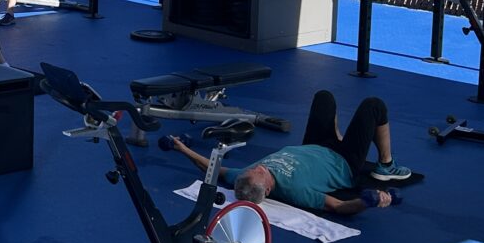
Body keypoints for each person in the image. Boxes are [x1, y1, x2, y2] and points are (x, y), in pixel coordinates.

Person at [169, 90, 411, 215]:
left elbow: (214, 170)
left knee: (323, 97)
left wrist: (183, 149)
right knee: (373, 105)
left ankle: (336, 137)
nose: (258, 167)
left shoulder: (242, 178)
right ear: (267, 189)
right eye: (259, 173)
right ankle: (386, 164)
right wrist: (368, 202)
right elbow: (338, 207)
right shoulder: (295, 192)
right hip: (343, 161)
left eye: (254, 169)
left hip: (312, 145)